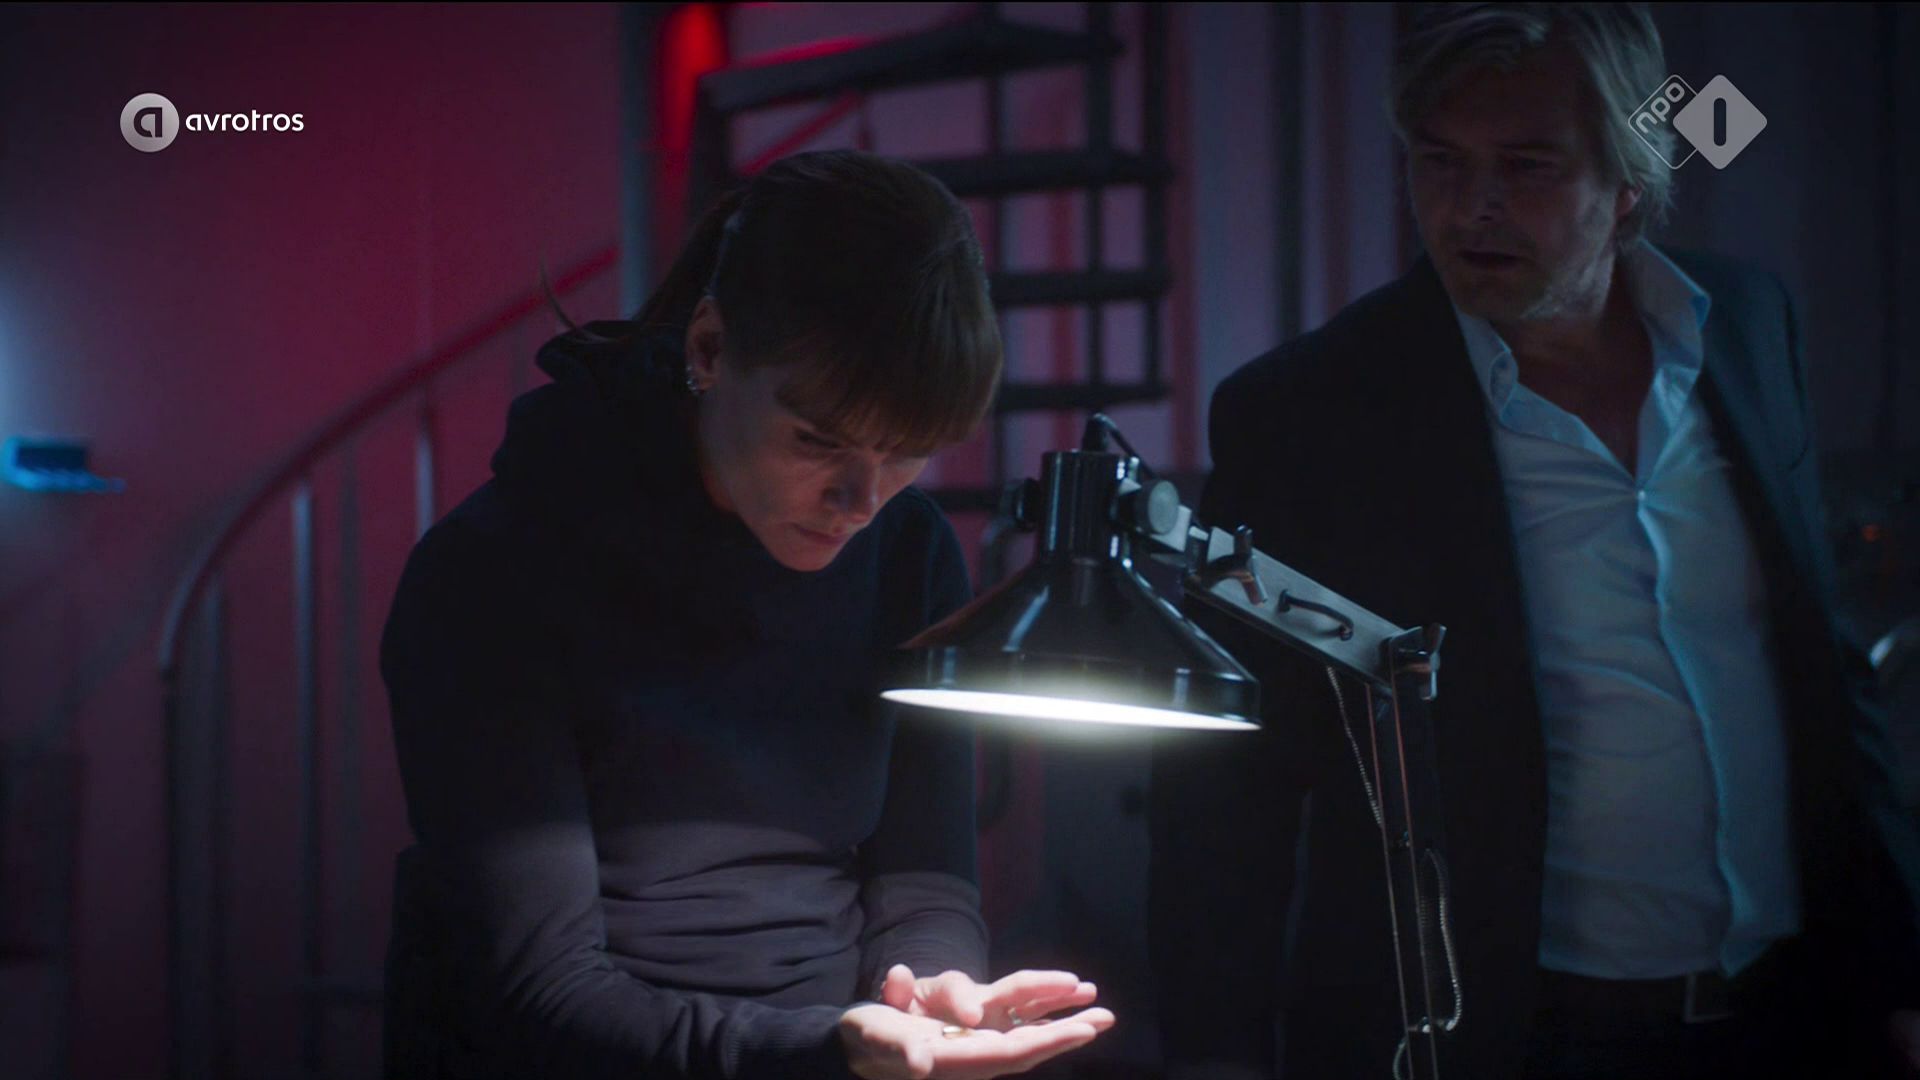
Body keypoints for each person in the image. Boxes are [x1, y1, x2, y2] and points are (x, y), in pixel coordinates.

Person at [1148, 5, 1920, 1079]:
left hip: (1793, 1013)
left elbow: (1826, 677)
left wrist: (1899, 967)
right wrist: (1216, 1055)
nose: (1473, 208)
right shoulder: (1309, 413)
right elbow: (1232, 771)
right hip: (1505, 1035)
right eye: (1439, 162)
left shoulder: (1746, 323)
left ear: (1630, 182)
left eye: (1527, 166)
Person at [379, 149, 1115, 1080]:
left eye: (907, 453)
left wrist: (934, 989)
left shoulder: (906, 550)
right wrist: (826, 1051)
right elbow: (543, 995)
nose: (861, 501)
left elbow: (925, 878)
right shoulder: (496, 570)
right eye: (818, 441)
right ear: (710, 348)